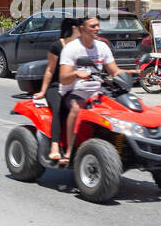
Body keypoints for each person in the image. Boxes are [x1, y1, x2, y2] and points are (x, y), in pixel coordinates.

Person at [59, 15, 128, 150]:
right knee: (76, 108)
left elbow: (114, 71)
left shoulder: (102, 47)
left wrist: (131, 74)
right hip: (74, 91)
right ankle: (69, 149)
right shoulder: (71, 48)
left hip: (97, 91)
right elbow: (63, 77)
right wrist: (76, 73)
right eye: (93, 26)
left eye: (98, 25)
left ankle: (120, 146)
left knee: (122, 108)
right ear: (82, 28)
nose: (97, 29)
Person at [34, 17, 81, 164]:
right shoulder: (57, 46)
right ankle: (54, 145)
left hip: (76, 85)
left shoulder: (81, 47)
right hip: (56, 86)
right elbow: (50, 70)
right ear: (74, 28)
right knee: (59, 109)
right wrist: (43, 91)